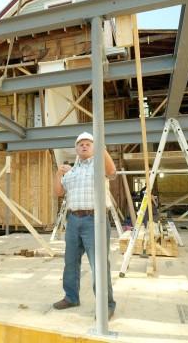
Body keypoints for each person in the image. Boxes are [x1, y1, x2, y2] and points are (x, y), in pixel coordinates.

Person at [52, 132, 117, 320]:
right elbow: (58, 192)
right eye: (80, 143)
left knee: (99, 265)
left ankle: (106, 305)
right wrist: (58, 173)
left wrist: (101, 147)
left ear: (94, 147)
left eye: (88, 143)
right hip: (73, 220)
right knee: (70, 262)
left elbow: (112, 172)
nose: (84, 146)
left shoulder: (99, 165)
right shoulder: (71, 171)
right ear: (76, 149)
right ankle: (71, 297)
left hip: (94, 220)